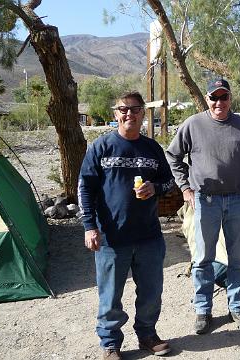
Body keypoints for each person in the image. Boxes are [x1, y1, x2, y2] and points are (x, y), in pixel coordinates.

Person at [79, 91, 176, 360]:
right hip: (112, 236)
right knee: (110, 295)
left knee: (151, 291)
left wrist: (154, 188)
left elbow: (169, 183)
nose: (129, 114)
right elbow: (85, 188)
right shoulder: (101, 147)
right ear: (115, 113)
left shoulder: (152, 148)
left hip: (148, 235)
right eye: (123, 109)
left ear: (143, 114)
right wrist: (89, 226)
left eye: (135, 109)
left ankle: (147, 335)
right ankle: (110, 344)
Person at [166, 78, 240, 335]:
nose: (219, 102)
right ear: (207, 99)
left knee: (238, 256)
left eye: (224, 97)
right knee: (202, 258)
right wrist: (185, 188)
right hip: (204, 200)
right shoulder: (193, 124)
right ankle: (203, 310)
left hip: (236, 199)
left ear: (230, 99)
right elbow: (173, 155)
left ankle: (237, 307)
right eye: (214, 97)